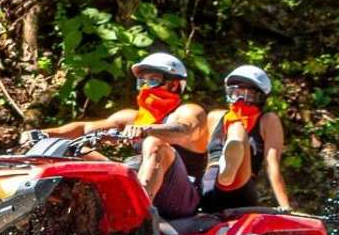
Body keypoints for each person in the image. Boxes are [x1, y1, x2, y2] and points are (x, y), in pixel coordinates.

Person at [18, 52, 209, 219]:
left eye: (153, 80)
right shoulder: (132, 117)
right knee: (75, 149)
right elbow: (85, 129)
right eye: (141, 81)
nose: (145, 87)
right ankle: (56, 212)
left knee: (154, 143)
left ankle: (139, 215)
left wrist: (148, 130)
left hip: (181, 199)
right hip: (140, 182)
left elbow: (186, 131)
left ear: (174, 85)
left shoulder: (189, 111)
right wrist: (45, 133)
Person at [198, 65, 295, 213]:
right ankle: (224, 175)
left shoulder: (268, 120)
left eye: (249, 95)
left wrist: (285, 206)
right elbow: (203, 159)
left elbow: (272, 165)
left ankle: (228, 174)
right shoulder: (215, 116)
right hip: (210, 189)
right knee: (214, 166)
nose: (241, 99)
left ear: (260, 98)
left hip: (241, 190)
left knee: (237, 129)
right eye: (236, 93)